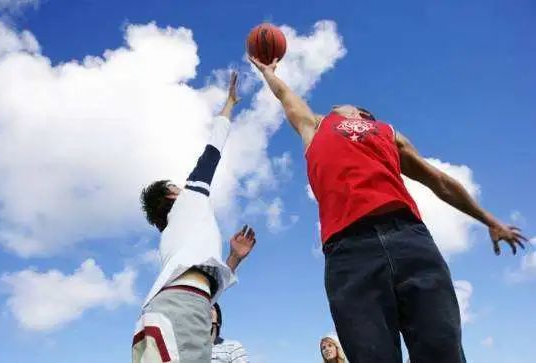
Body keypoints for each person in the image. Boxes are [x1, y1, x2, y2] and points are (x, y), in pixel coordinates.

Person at [249, 57, 527, 363]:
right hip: (349, 251)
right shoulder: (314, 126)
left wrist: (487, 219)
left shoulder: (387, 133)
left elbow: (438, 181)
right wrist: (268, 72)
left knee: (442, 348)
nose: (333, 107)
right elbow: (286, 96)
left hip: (409, 238)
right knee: (371, 355)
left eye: (341, 105)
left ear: (362, 114)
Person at [132, 72, 257, 363]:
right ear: (172, 196)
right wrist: (229, 104)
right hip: (181, 310)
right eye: (177, 186)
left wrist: (234, 259)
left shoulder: (175, 242)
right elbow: (213, 150)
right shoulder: (188, 201)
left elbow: (204, 289)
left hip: (173, 309)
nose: (184, 185)